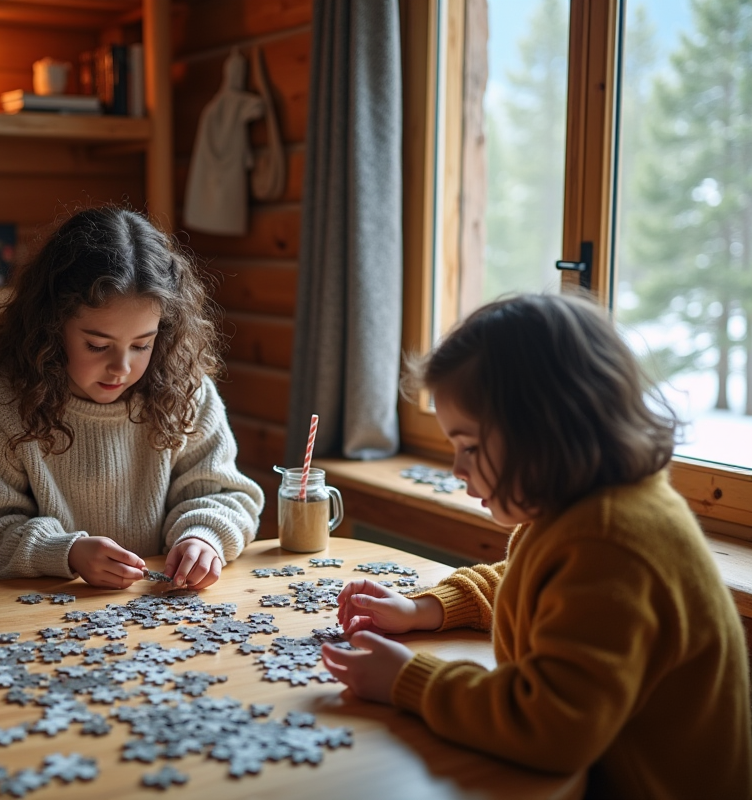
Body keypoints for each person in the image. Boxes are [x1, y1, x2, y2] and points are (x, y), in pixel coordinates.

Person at [320, 293, 752, 798]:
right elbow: (525, 582)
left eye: (470, 447)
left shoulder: (613, 540)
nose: (457, 470)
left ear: (548, 431)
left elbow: (552, 726)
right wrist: (424, 608)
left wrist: (409, 679)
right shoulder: (578, 510)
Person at [0, 206, 264, 590]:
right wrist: (65, 552)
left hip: (161, 615)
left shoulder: (185, 391)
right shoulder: (3, 403)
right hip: (38, 625)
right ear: (51, 326)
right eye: (97, 345)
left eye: (143, 344)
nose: (121, 368)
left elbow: (224, 495)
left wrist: (202, 536)